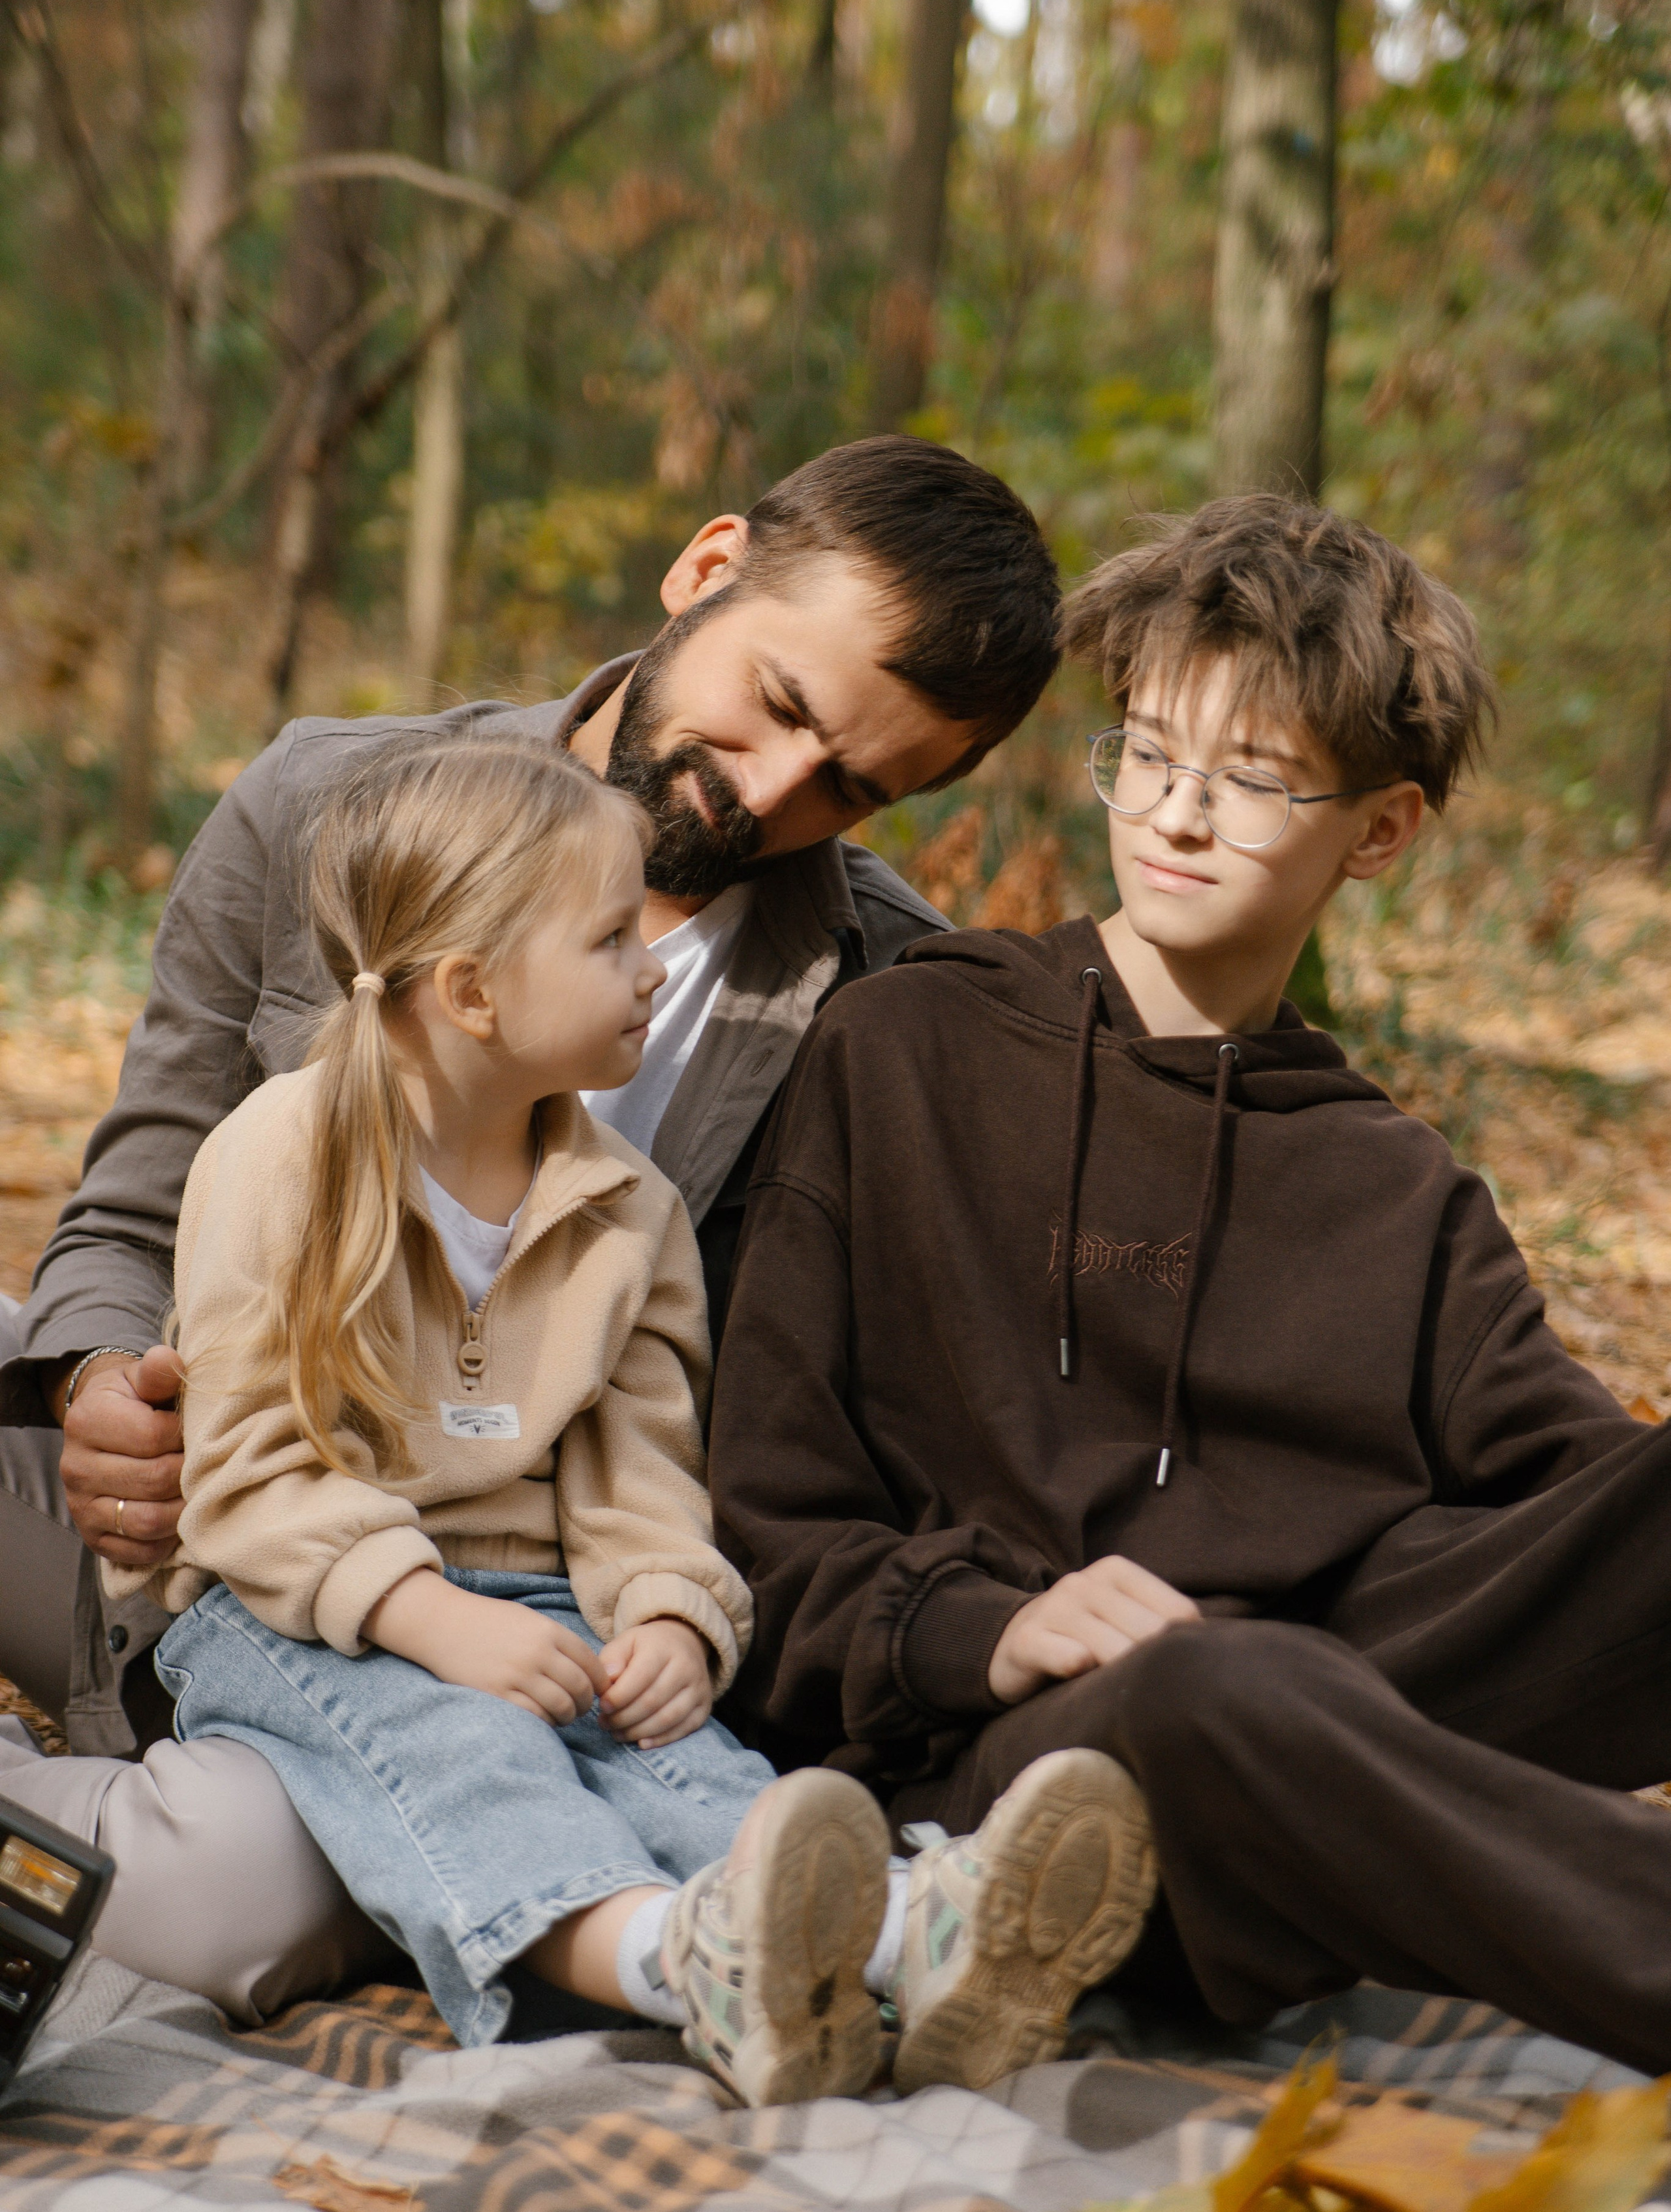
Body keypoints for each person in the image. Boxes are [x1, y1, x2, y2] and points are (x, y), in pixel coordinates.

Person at [0, 435, 1060, 2019]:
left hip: (510, 1608)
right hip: (201, 1497)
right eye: (776, 705)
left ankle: (778, 1934)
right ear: (704, 573)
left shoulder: (885, 997)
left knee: (253, 1899)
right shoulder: (321, 803)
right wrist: (98, 1384)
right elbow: (133, 1198)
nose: (768, 795)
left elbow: (724, 1427)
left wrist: (662, 1616)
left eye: (850, 785)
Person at [709, 494, 1671, 2083]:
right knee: (1222, 1686)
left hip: (1330, 1712)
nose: (1173, 813)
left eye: (1249, 779)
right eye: (1148, 753)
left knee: (1278, 1672)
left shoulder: (1392, 1185)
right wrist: (991, 1628)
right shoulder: (903, 1054)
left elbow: (1583, 1536)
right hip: (1020, 1779)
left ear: (1378, 832)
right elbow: (768, 1540)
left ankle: (1351, 1812)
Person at [120, 729, 1146, 2100]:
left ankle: (921, 1944)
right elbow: (245, 1474)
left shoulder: (626, 1207)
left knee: (683, 1760)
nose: (652, 967)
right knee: (472, 1755)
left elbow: (641, 1469)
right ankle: (680, 1963)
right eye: (610, 941)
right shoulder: (280, 1156)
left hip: (550, 1608)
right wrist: (428, 1616)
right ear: (475, 991)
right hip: (301, 1612)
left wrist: (664, 1608)